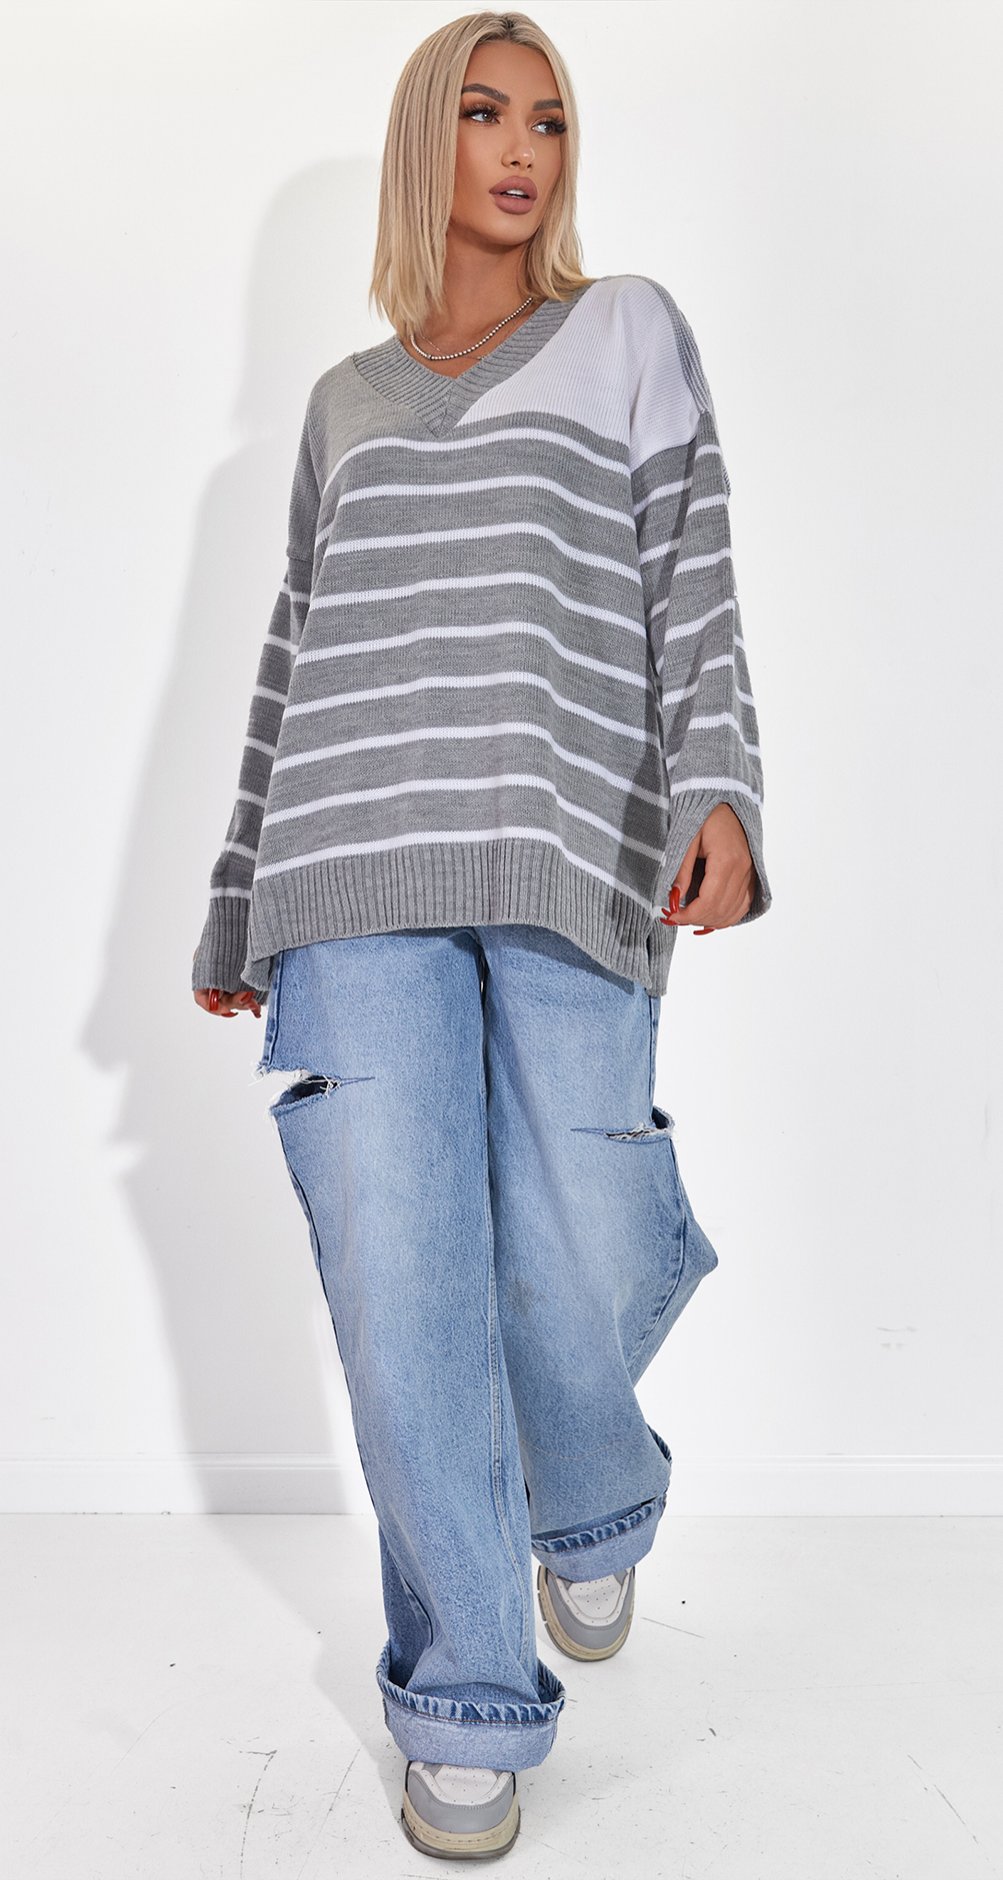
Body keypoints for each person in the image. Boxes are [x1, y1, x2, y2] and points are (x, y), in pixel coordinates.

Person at [192, 9, 772, 1862]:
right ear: (421, 145)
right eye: (483, 114)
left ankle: (587, 1491)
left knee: (581, 1229)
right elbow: (295, 655)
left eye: (549, 122)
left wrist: (719, 784)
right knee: (403, 1282)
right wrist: (239, 889)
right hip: (347, 871)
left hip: (569, 849)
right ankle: (464, 1692)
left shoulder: (628, 333)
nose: (521, 151)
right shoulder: (343, 407)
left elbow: (693, 573)